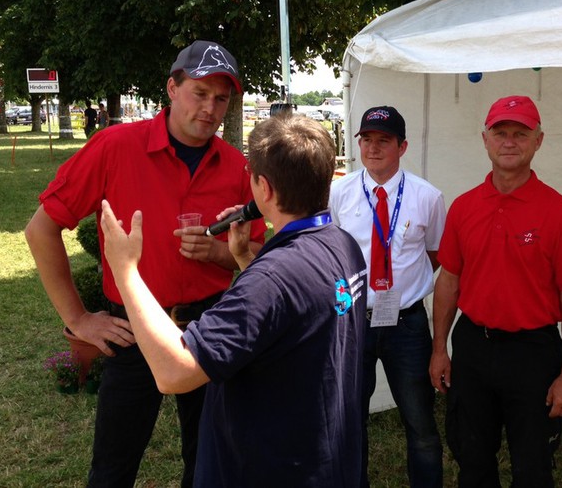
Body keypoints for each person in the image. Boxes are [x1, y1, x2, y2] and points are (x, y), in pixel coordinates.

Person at [25, 40, 267, 487]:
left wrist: (217, 252)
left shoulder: (236, 167)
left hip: (208, 328)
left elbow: (254, 258)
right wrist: (78, 318)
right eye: (200, 93)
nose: (211, 108)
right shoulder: (115, 146)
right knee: (113, 468)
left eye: (222, 98)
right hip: (132, 332)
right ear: (172, 89)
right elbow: (40, 229)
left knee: (211, 465)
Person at [99, 113, 368, 487]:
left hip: (272, 468)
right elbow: (292, 314)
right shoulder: (344, 245)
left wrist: (126, 271)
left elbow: (174, 372)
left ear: (264, 189)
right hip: (324, 458)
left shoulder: (271, 279)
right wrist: (243, 256)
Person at [429, 95, 562, 487]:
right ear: (485, 139)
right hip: (473, 347)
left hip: (533, 353)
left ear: (539, 141)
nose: (509, 142)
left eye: (520, 133)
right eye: (500, 133)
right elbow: (448, 281)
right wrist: (439, 350)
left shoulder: (561, 212)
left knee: (533, 466)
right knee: (472, 460)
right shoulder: (464, 207)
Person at [329, 105, 445, 487]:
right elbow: (330, 255)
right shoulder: (339, 192)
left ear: (402, 146)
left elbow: (433, 254)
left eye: (384, 141)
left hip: (406, 323)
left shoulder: (427, 196)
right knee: (349, 420)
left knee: (420, 423)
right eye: (367, 140)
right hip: (353, 322)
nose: (373, 148)